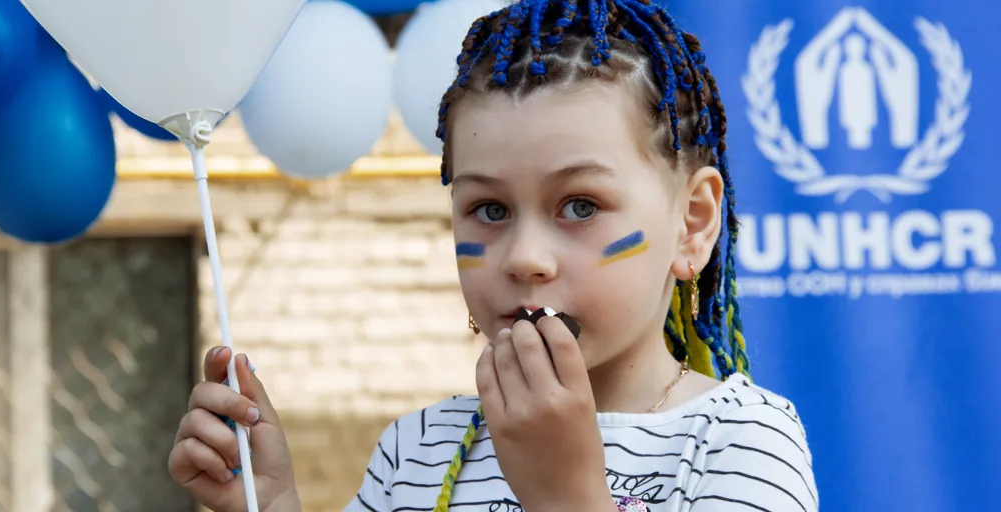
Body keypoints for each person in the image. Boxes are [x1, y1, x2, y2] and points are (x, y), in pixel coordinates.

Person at [168, 0, 820, 510]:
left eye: (581, 206)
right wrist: (272, 500)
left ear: (692, 223)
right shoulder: (417, 450)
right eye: (491, 210)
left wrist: (568, 498)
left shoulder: (740, 443)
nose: (526, 258)